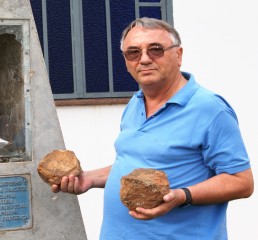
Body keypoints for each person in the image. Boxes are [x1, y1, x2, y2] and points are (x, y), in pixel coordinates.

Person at [51, 17, 254, 239]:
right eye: (134, 53)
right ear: (126, 61)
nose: (144, 59)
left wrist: (182, 195)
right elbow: (134, 164)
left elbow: (241, 181)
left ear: (178, 55)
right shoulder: (136, 103)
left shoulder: (210, 110)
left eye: (155, 50)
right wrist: (89, 179)